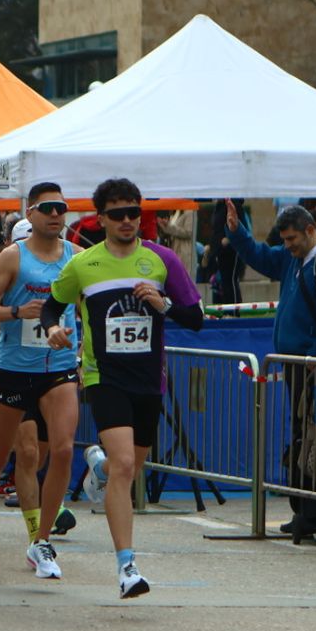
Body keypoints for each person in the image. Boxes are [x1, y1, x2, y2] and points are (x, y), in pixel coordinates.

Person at [40, 179, 204, 598]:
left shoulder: (162, 259)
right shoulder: (83, 264)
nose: (127, 220)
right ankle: (126, 566)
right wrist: (54, 329)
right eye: (118, 214)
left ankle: (100, 468)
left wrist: (162, 304)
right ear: (101, 219)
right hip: (102, 377)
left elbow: (195, 317)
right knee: (127, 464)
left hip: (149, 380)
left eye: (134, 212)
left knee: (126, 468)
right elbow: (52, 305)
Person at [0, 182, 82, 580]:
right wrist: (17, 313)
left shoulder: (77, 259)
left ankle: (41, 541)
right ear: (30, 213)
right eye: (47, 208)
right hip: (17, 369)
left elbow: (89, 310)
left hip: (61, 366)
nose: (55, 214)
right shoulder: (12, 259)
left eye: (61, 208)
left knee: (63, 451)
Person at [228, 201, 316, 512]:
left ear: (310, 229)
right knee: (301, 430)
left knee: (314, 433)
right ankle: (303, 509)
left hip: (312, 365)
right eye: (284, 240)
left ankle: (313, 509)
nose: (287, 247)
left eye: (291, 239)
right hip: (298, 361)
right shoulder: (293, 258)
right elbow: (261, 256)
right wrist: (237, 233)